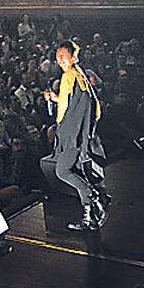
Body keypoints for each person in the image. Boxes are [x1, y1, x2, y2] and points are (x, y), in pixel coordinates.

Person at [44, 41, 108, 230]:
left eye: (63, 56)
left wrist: (66, 130)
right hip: (78, 133)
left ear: (73, 57)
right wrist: (55, 98)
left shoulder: (70, 76)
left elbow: (70, 108)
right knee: (76, 172)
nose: (60, 60)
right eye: (58, 56)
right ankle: (89, 217)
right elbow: (73, 101)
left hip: (72, 135)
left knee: (63, 171)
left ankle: (94, 197)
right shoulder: (78, 74)